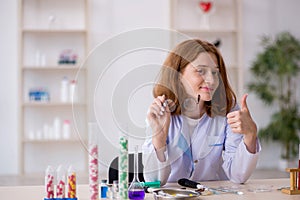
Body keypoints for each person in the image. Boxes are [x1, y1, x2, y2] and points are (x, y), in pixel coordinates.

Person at [142, 39, 260, 186]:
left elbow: (238, 175)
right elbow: (154, 181)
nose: (211, 80)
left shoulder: (228, 110)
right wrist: (159, 137)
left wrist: (250, 134)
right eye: (201, 71)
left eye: (215, 72)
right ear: (178, 75)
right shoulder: (160, 112)